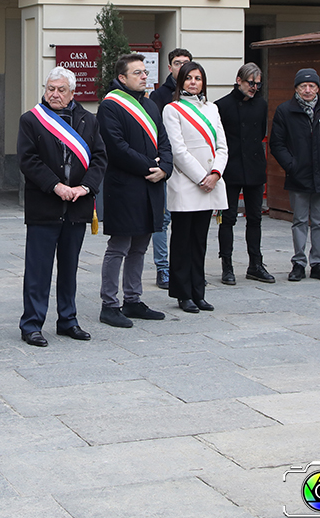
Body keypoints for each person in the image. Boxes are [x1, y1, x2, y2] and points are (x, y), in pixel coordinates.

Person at [17, 67, 108, 345]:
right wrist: (55, 185)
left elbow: (100, 158)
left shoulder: (87, 120)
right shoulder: (32, 120)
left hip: (77, 207)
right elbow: (28, 160)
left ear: (72, 93)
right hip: (44, 206)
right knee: (38, 270)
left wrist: (85, 187)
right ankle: (31, 324)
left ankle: (68, 319)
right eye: (50, 89)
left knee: (69, 268)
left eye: (61, 90)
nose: (54, 94)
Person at [98, 53, 173, 328]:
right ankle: (109, 304)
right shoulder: (110, 106)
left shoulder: (151, 105)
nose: (144, 76)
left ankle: (133, 299)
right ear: (122, 78)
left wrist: (165, 167)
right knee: (119, 246)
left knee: (140, 245)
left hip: (151, 185)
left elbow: (164, 141)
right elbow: (116, 148)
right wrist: (150, 166)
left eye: (145, 72)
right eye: (138, 73)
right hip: (125, 187)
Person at [161, 61, 228, 312]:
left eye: (198, 78)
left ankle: (198, 291)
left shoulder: (212, 108)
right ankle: (182, 292)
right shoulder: (173, 109)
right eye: (189, 78)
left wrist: (215, 173)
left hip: (211, 181)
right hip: (188, 183)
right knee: (182, 240)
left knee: (200, 241)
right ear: (180, 82)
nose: (193, 82)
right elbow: (178, 150)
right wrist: (202, 177)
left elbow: (222, 146)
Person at [269, 68, 320, 282]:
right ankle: (299, 262)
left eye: (312, 86)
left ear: (318, 88)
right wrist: (291, 165)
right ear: (296, 89)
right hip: (298, 174)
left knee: (319, 221)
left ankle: (318, 263)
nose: (308, 90)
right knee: (299, 220)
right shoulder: (285, 110)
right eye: (303, 86)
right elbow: (277, 143)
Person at [214, 63, 273, 284]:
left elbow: (259, 134)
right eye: (251, 83)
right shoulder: (222, 106)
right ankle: (226, 265)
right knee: (227, 219)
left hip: (255, 166)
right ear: (239, 80)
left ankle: (255, 264)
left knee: (255, 218)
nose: (254, 88)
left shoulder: (261, 104)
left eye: (258, 84)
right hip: (230, 169)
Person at [149, 47, 193, 289]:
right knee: (163, 219)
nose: (182, 67)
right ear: (170, 67)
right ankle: (163, 268)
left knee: (187, 219)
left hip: (191, 169)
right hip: (167, 167)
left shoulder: (197, 96)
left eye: (186, 63)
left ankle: (185, 267)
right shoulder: (159, 96)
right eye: (177, 63)